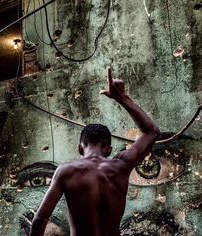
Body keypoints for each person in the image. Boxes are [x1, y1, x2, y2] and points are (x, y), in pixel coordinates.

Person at [30, 67, 160, 236]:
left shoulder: (66, 171)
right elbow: (152, 131)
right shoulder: (121, 165)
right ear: (109, 150)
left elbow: (40, 219)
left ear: (80, 147)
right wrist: (122, 98)